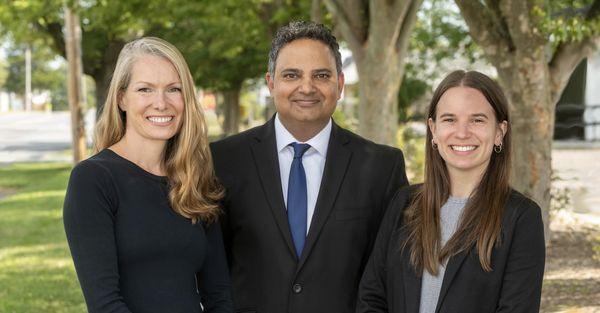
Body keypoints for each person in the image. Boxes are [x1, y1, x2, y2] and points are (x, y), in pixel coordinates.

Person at [210, 21, 409, 313]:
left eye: (321, 75)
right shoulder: (223, 160)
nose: (307, 87)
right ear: (271, 82)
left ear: (339, 85)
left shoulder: (381, 166)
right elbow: (213, 270)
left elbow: (392, 273)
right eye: (292, 75)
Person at [63, 37, 233, 313]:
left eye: (173, 89)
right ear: (122, 98)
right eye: (145, 89)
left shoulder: (195, 178)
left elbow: (218, 294)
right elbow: (105, 304)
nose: (161, 103)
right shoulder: (93, 180)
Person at [357, 70, 546, 313]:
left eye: (477, 120)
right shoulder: (404, 203)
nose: (462, 132)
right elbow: (371, 298)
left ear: (499, 132)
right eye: (449, 119)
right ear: (433, 130)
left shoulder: (521, 218)